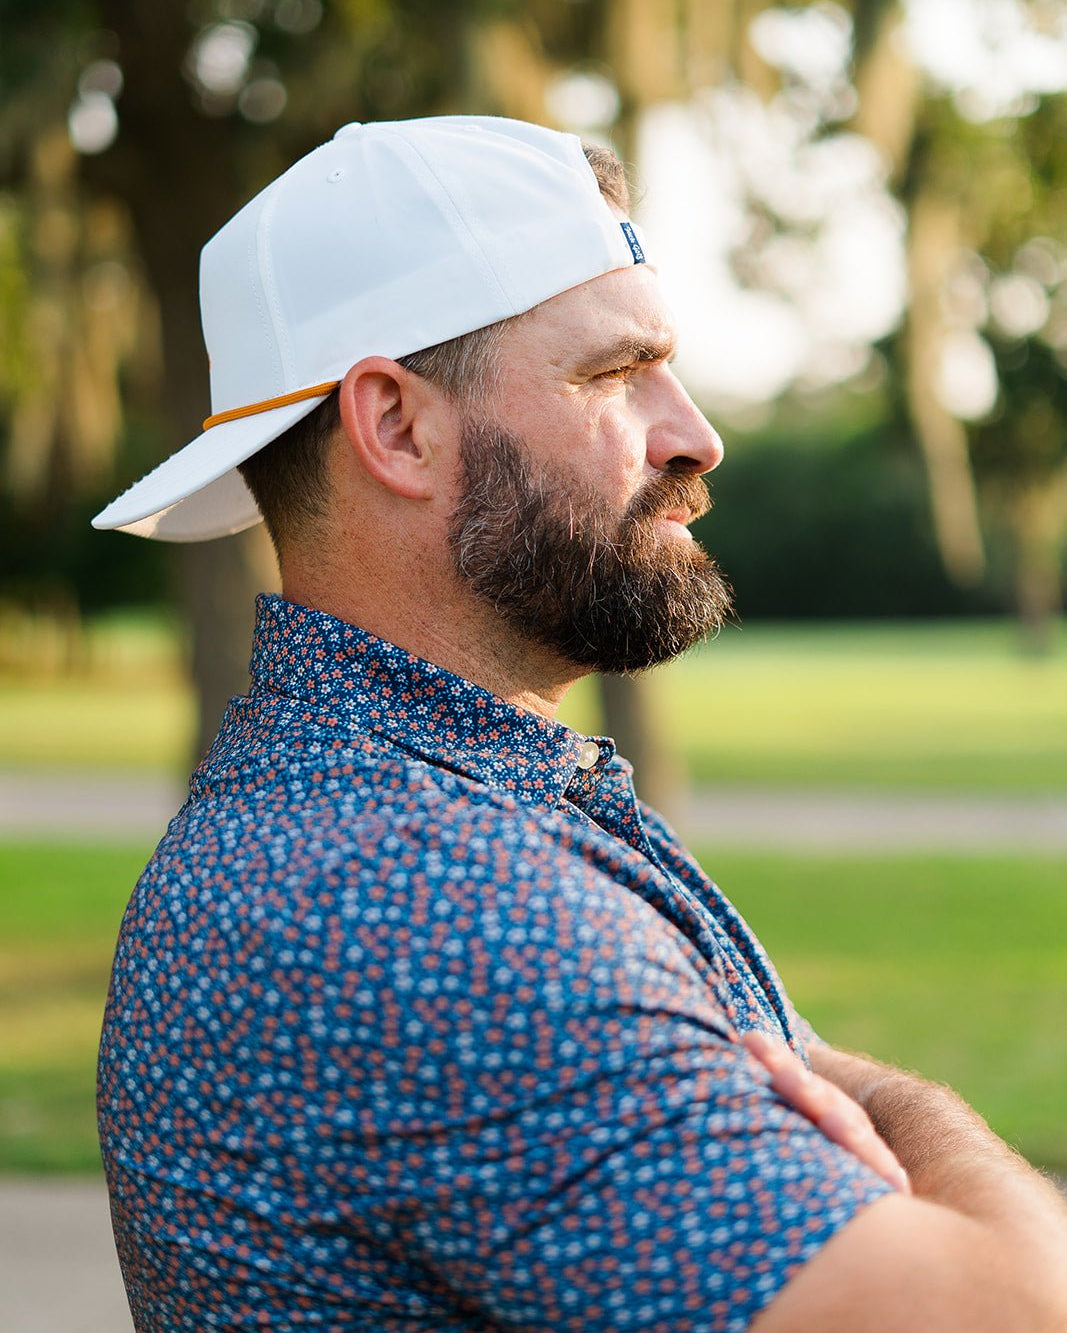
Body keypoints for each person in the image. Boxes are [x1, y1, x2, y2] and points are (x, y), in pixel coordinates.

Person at [93, 117, 1067, 1333]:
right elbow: (1014, 1310)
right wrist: (884, 1101)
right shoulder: (421, 904)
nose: (694, 435)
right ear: (395, 426)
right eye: (615, 373)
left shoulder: (418, 807)